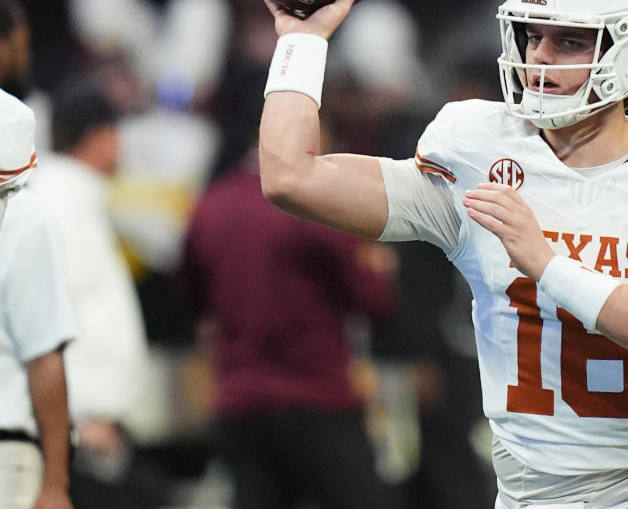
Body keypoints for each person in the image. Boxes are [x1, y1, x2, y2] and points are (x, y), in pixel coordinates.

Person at [255, 0, 628, 508]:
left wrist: (547, 262)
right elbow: (289, 176)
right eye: (531, 36)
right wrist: (301, 42)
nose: (540, 59)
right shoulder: (478, 154)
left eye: (570, 41)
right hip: (525, 496)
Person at [179, 129, 402, 509]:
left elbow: (190, 297)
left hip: (240, 400)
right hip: (317, 395)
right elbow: (375, 299)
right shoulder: (316, 205)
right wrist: (382, 269)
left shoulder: (210, 204)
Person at [28, 81, 159, 508]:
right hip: (80, 426)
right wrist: (83, 413)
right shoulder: (59, 203)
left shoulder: (75, 198)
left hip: (88, 424)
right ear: (99, 135)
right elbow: (49, 314)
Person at [0, 87, 76, 509]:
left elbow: (44, 355)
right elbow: (45, 353)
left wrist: (53, 484)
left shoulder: (25, 220)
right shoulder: (29, 221)